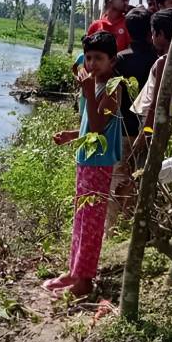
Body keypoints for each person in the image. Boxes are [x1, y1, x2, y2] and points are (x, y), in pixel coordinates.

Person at [44, 32, 124, 298]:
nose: (91, 64)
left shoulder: (113, 87)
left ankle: (85, 280)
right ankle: (74, 270)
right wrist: (71, 135)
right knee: (80, 218)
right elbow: (89, 126)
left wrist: (89, 92)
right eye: (88, 58)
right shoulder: (94, 84)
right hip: (85, 160)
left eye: (98, 58)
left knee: (91, 221)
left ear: (112, 60)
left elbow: (100, 126)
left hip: (99, 164)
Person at [107, 7, 158, 231]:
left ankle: (113, 227)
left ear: (126, 29)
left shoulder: (120, 60)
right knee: (139, 178)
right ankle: (130, 225)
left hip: (123, 128)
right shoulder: (159, 60)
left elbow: (111, 97)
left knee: (118, 178)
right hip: (148, 130)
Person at [131, 8, 172, 150]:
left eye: (153, 33)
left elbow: (157, 100)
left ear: (161, 34)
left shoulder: (163, 62)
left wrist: (143, 134)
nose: (152, 37)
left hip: (152, 120)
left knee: (142, 163)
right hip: (161, 119)